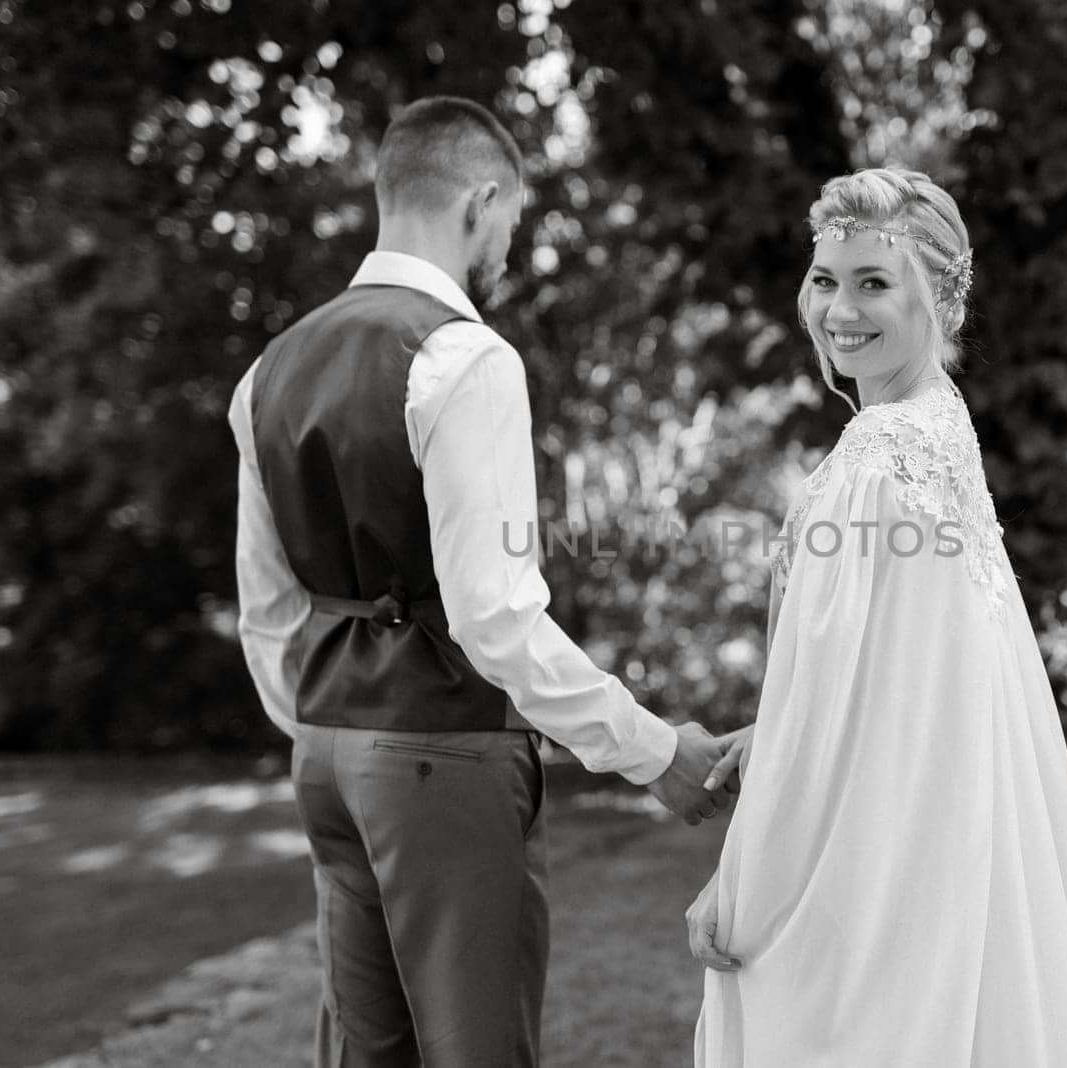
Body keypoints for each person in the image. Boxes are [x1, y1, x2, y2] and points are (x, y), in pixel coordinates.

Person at [228, 96, 733, 1067]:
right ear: (480, 199)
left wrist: (320, 728)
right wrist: (650, 748)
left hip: (326, 756)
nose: (507, 244)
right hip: (439, 758)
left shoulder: (268, 371)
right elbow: (494, 618)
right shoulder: (463, 358)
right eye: (510, 222)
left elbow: (266, 608)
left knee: (368, 1054)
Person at [687, 168, 1067, 1066]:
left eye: (873, 282)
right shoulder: (940, 424)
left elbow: (839, 708)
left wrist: (738, 877)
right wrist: (771, 727)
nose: (838, 308)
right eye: (824, 279)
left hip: (877, 867)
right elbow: (886, 677)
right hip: (942, 845)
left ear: (939, 299)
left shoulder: (880, 452)